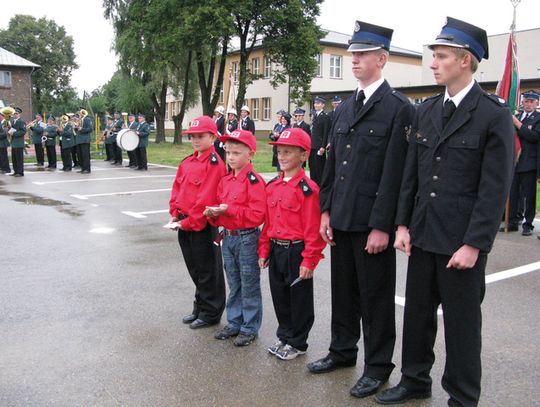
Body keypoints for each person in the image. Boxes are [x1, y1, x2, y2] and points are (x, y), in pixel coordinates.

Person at [375, 18, 514, 406]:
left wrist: (474, 243)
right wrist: (402, 223)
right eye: (433, 56)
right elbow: (412, 174)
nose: (433, 63)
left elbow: (494, 187)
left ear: (465, 60)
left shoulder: (492, 115)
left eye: (441, 56)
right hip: (423, 233)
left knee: (461, 324)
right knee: (417, 316)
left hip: (460, 239)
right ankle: (415, 379)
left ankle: (463, 396)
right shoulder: (427, 111)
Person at [307, 20, 415, 401]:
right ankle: (342, 350)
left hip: (373, 223)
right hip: (343, 217)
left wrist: (383, 226)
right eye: (352, 53)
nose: (353, 59)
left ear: (381, 58)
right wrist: (325, 212)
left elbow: (396, 174)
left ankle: (378, 367)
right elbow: (334, 166)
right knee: (344, 292)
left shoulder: (398, 109)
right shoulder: (345, 107)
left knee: (376, 297)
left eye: (362, 54)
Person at [258, 127, 326, 361]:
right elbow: (268, 222)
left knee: (299, 300)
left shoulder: (308, 190)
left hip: (296, 250)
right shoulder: (273, 187)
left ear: (304, 156)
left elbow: (313, 230)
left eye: (288, 152)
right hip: (277, 249)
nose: (282, 157)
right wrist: (264, 249)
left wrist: (309, 259)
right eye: (279, 152)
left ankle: (298, 341)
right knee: (280, 296)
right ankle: (284, 335)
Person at [204, 129, 266, 347]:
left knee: (249, 283)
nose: (230, 157)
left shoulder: (254, 181)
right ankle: (234, 321)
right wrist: (213, 214)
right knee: (234, 282)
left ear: (250, 154)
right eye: (228, 152)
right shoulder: (226, 180)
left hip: (246, 238)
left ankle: (249, 327)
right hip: (228, 238)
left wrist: (228, 210)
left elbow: (257, 215)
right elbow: (221, 209)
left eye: (236, 153)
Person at [168, 116, 227, 329]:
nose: (195, 140)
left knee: (208, 269)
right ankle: (200, 306)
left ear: (213, 137)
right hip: (184, 223)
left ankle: (211, 311)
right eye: (192, 136)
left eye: (200, 136)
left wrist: (188, 222)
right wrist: (174, 211)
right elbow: (178, 189)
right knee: (195, 268)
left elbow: (206, 199)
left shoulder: (214, 165)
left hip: (202, 225)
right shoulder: (188, 162)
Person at [504, 90, 540, 236]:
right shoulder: (517, 116)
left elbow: (534, 137)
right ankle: (512, 221)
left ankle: (528, 224)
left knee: (529, 195)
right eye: (526, 101)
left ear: (537, 103)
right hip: (514, 162)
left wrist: (518, 124)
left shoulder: (537, 118)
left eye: (532, 101)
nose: (528, 104)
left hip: (528, 162)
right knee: (512, 194)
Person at [309, 96, 331, 185]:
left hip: (319, 146)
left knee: (319, 167)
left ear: (323, 105)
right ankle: (313, 183)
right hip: (312, 145)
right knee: (312, 166)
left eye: (318, 103)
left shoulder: (325, 117)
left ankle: (319, 185)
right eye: (315, 103)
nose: (315, 105)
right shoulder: (314, 116)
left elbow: (326, 132)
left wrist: (323, 146)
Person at [8, 107, 26, 177]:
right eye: (14, 113)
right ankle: (16, 171)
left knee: (19, 159)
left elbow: (23, 131)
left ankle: (20, 172)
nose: (15, 115)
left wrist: (14, 133)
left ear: (19, 114)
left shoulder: (21, 121)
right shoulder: (13, 121)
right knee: (14, 159)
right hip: (14, 143)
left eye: (17, 113)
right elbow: (11, 130)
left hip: (19, 143)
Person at [75, 107, 93, 174]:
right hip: (79, 140)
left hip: (85, 139)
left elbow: (90, 129)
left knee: (85, 155)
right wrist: (76, 128)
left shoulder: (87, 119)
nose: (79, 113)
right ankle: (82, 168)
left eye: (80, 112)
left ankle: (87, 169)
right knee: (80, 155)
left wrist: (81, 129)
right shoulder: (79, 120)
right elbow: (77, 130)